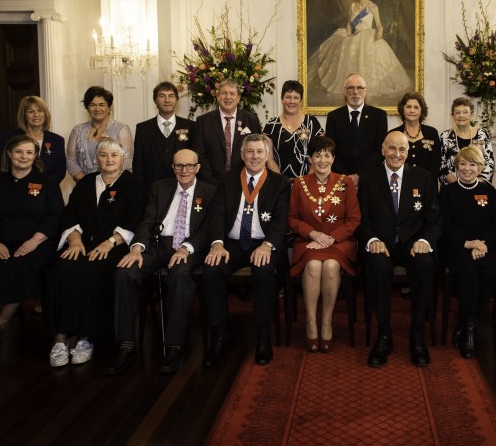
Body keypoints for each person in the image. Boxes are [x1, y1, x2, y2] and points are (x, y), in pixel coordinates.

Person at [110, 149, 217, 375]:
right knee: (124, 270)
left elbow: (207, 230)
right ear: (173, 168)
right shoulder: (160, 187)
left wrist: (186, 248)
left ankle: (174, 346)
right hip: (158, 245)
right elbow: (147, 221)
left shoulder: (210, 191)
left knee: (180, 273)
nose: (184, 170)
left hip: (189, 247)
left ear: (197, 167)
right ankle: (126, 344)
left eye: (189, 166)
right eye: (179, 166)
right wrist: (137, 248)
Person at [48, 139, 143, 368]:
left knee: (93, 271)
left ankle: (85, 337)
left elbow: (135, 219)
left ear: (123, 159)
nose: (108, 159)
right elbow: (70, 214)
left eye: (113, 155)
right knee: (61, 268)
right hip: (82, 244)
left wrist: (110, 242)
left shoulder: (134, 185)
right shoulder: (85, 183)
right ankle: (60, 337)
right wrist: (74, 239)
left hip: (114, 247)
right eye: (103, 155)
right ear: (96, 159)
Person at [201, 134, 291, 366]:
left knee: (262, 272)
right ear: (241, 155)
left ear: (267, 155)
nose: (254, 157)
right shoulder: (227, 179)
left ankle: (263, 336)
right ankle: (220, 334)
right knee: (211, 270)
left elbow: (281, 221)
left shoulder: (279, 183)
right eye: (249, 152)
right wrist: (217, 243)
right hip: (232, 243)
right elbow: (217, 214)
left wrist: (268, 245)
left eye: (260, 152)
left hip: (264, 242)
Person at [0, 135, 63, 362]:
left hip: (37, 244)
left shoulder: (46, 183)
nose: (24, 156)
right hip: (1, 244)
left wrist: (34, 241)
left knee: (21, 268)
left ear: (35, 156)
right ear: (10, 155)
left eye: (29, 152)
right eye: (19, 152)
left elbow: (55, 217)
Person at [358, 131, 442, 368]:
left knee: (426, 266)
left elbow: (434, 219)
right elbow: (361, 220)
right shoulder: (368, 178)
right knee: (376, 266)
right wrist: (372, 239)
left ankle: (417, 334)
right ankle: (384, 335)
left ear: (408, 152)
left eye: (402, 149)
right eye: (392, 149)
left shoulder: (424, 178)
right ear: (383, 150)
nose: (397, 154)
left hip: (413, 244)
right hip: (381, 244)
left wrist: (424, 241)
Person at [288, 136, 360, 352]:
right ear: (310, 158)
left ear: (333, 158)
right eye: (317, 155)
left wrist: (331, 238)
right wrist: (312, 234)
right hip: (308, 241)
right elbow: (292, 218)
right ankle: (311, 321)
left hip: (339, 242)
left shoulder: (345, 182)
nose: (322, 159)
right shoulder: (299, 183)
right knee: (313, 266)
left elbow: (354, 219)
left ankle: (326, 320)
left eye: (327, 155)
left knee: (330, 266)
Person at [438, 146, 496, 359]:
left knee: (491, 274)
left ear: (480, 167)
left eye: (472, 164)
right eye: (463, 164)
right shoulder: (447, 192)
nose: (467, 169)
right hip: (457, 247)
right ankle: (469, 329)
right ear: (456, 166)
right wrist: (468, 243)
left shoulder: (489, 190)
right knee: (468, 273)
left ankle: (468, 321)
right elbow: (444, 224)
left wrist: (482, 244)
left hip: (487, 246)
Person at [306, 0, 411, 98]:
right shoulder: (352, 6)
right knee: (344, 43)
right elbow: (349, 24)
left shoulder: (372, 7)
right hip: (354, 36)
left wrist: (380, 32)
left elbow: (379, 25)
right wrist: (348, 34)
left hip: (367, 36)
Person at [192, 78, 262, 184]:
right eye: (224, 93)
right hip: (211, 183)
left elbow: (256, 153)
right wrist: (212, 181)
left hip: (244, 182)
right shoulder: (203, 121)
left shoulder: (251, 120)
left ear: (238, 98)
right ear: (218, 97)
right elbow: (198, 155)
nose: (228, 97)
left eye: (232, 93)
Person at [324, 73, 388, 186]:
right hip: (340, 179)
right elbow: (331, 150)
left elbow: (380, 151)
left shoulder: (379, 116)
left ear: (366, 90)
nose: (355, 91)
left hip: (370, 179)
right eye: (350, 88)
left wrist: (359, 175)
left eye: (359, 87)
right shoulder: (333, 117)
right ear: (344, 91)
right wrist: (346, 177)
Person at [132, 81, 196, 193]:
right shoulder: (143, 129)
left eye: (171, 96)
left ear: (176, 100)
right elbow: (138, 165)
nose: (167, 100)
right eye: (162, 96)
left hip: (182, 188)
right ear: (155, 101)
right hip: (150, 191)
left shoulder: (191, 126)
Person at [66, 86, 134, 181]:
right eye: (92, 105)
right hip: (84, 188)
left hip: (115, 186)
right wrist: (86, 183)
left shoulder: (121, 129)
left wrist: (107, 183)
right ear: (87, 107)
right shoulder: (77, 130)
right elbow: (71, 161)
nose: (97, 109)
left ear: (109, 107)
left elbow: (126, 160)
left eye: (102, 105)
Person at [262, 80, 324, 179]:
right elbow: (268, 158)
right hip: (278, 183)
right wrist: (282, 182)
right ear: (282, 99)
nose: (292, 101)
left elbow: (319, 155)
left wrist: (305, 182)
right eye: (288, 97)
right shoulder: (271, 125)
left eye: (296, 97)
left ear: (300, 101)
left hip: (309, 181)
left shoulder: (312, 123)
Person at [0, 95, 67, 184]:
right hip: (15, 189)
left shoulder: (57, 140)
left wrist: (43, 188)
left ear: (45, 114)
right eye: (31, 111)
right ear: (24, 115)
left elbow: (59, 172)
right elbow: (3, 167)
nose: (36, 115)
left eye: (40, 111)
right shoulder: (9, 137)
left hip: (46, 191)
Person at [439, 96, 495, 186]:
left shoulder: (482, 134)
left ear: (472, 115)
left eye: (465, 112)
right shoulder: (445, 136)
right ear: (453, 116)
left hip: (478, 186)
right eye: (457, 112)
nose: (461, 115)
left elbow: (489, 162)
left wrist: (478, 182)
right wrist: (454, 183)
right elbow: (441, 162)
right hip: (452, 186)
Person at [388, 91, 441, 175]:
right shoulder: (394, 134)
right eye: (408, 107)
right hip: (402, 183)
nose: (412, 110)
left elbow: (436, 161)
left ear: (422, 110)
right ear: (403, 109)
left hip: (427, 183)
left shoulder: (432, 133)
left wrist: (426, 181)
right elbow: (390, 161)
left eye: (416, 107)